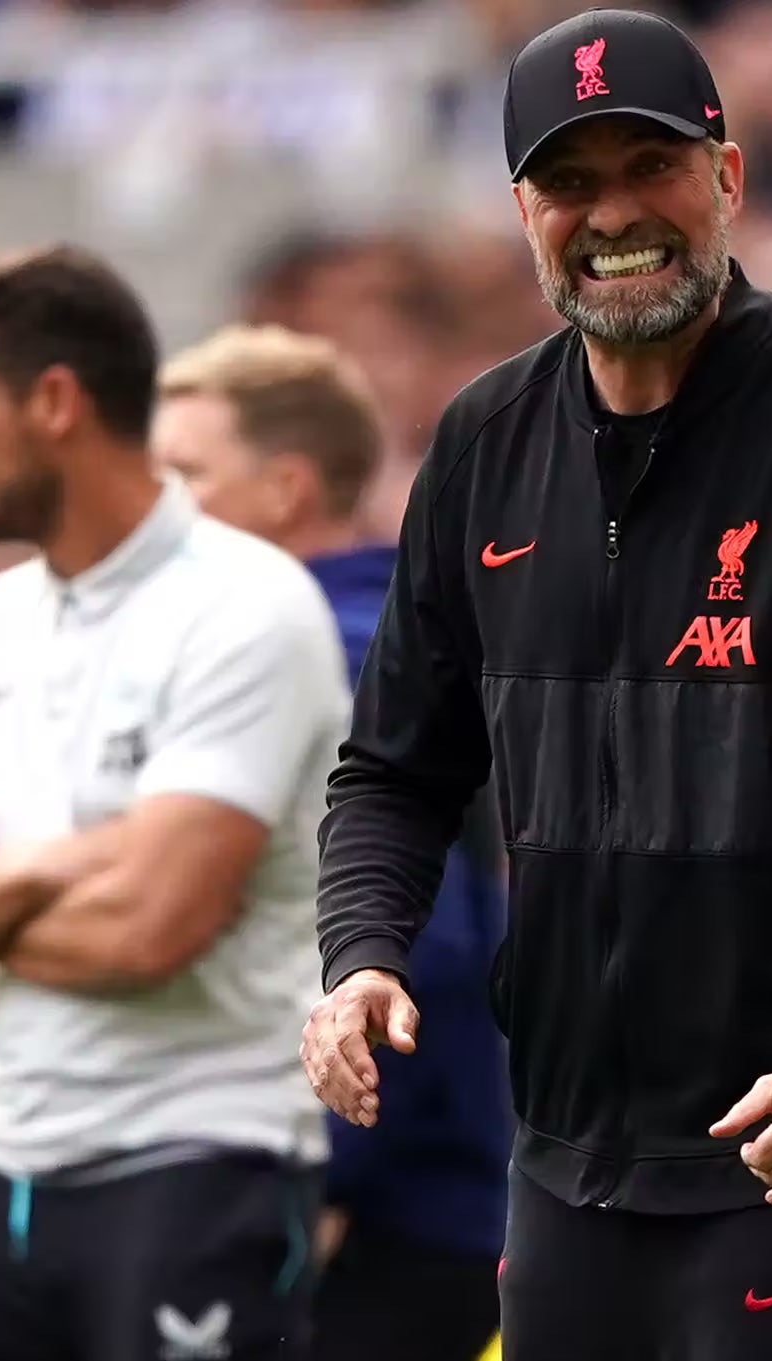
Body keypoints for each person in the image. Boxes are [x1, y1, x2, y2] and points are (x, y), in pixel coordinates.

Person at [300, 10, 772, 1361]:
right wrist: (360, 953)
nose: (614, 215)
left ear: (727, 176)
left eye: (648, 167)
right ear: (524, 210)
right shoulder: (485, 439)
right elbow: (395, 770)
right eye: (570, 183)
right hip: (568, 1159)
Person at [0, 245, 349, 1361]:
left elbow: (149, 929)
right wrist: (57, 864)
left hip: (201, 1158)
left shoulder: (248, 608)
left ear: (54, 401)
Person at [154, 324, 509, 1361]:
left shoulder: (332, 656)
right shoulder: (337, 639)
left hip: (367, 1216)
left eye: (185, 473)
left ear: (285, 487)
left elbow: (411, 949)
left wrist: (321, 1178)